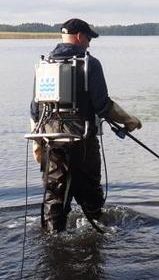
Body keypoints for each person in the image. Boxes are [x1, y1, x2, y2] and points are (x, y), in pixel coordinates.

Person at [29, 18, 142, 233]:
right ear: (80, 36)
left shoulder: (44, 65)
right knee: (91, 197)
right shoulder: (90, 63)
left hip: (51, 144)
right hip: (83, 143)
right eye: (89, 39)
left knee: (54, 197)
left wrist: (37, 144)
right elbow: (103, 105)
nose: (89, 44)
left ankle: (53, 242)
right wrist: (130, 121)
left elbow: (36, 110)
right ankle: (98, 235)